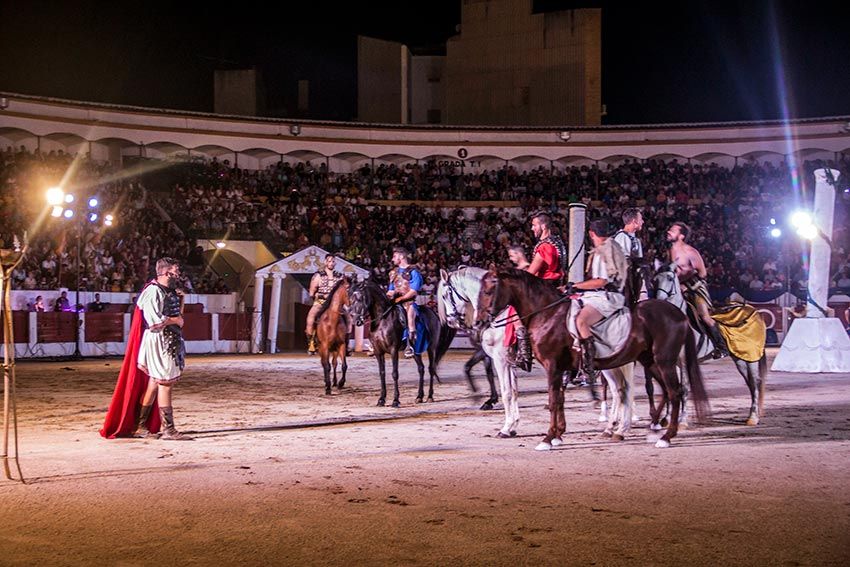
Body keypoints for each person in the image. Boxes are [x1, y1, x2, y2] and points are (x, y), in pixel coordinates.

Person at [100, 257, 191, 440]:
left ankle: (141, 426)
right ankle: (168, 429)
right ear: (166, 273)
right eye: (175, 272)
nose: (178, 276)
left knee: (154, 383)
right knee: (165, 383)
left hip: (168, 340)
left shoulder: (168, 291)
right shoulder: (152, 292)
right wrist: (175, 321)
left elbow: (175, 314)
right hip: (160, 341)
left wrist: (180, 304)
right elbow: (155, 323)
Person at [569, 218, 628, 378]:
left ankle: (590, 363)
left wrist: (576, 286)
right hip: (605, 293)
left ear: (591, 233)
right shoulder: (612, 246)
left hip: (606, 296)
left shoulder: (603, 251)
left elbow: (601, 281)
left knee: (581, 320)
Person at [512, 212, 566, 371]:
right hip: (557, 284)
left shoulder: (544, 246)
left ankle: (524, 355)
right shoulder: (557, 242)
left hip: (544, 287)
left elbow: (530, 274)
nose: (532, 228)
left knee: (515, 314)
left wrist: (521, 266)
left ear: (543, 226)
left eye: (534, 225)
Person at [667, 221, 729, 358]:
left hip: (695, 289)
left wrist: (686, 285)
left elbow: (702, 274)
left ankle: (722, 347)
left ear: (681, 236)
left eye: (673, 230)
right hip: (678, 289)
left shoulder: (690, 252)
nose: (669, 231)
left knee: (704, 316)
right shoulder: (670, 250)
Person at [387, 246, 423, 358]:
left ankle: (410, 345)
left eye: (395, 256)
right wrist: (387, 297)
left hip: (409, 302)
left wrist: (401, 299)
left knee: (410, 317)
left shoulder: (413, 272)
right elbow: (391, 290)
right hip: (395, 301)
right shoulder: (393, 273)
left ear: (402, 256)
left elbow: (413, 291)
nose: (393, 259)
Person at [304, 254, 344, 355]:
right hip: (321, 302)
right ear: (325, 262)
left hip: (335, 303)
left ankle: (344, 342)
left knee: (349, 317)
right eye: (329, 261)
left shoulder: (339, 276)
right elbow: (311, 292)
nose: (331, 263)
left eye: (333, 261)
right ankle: (311, 343)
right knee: (311, 317)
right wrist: (319, 296)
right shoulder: (318, 275)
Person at [612, 207, 648, 303]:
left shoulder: (636, 240)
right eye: (640, 219)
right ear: (634, 221)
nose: (643, 222)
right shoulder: (622, 237)